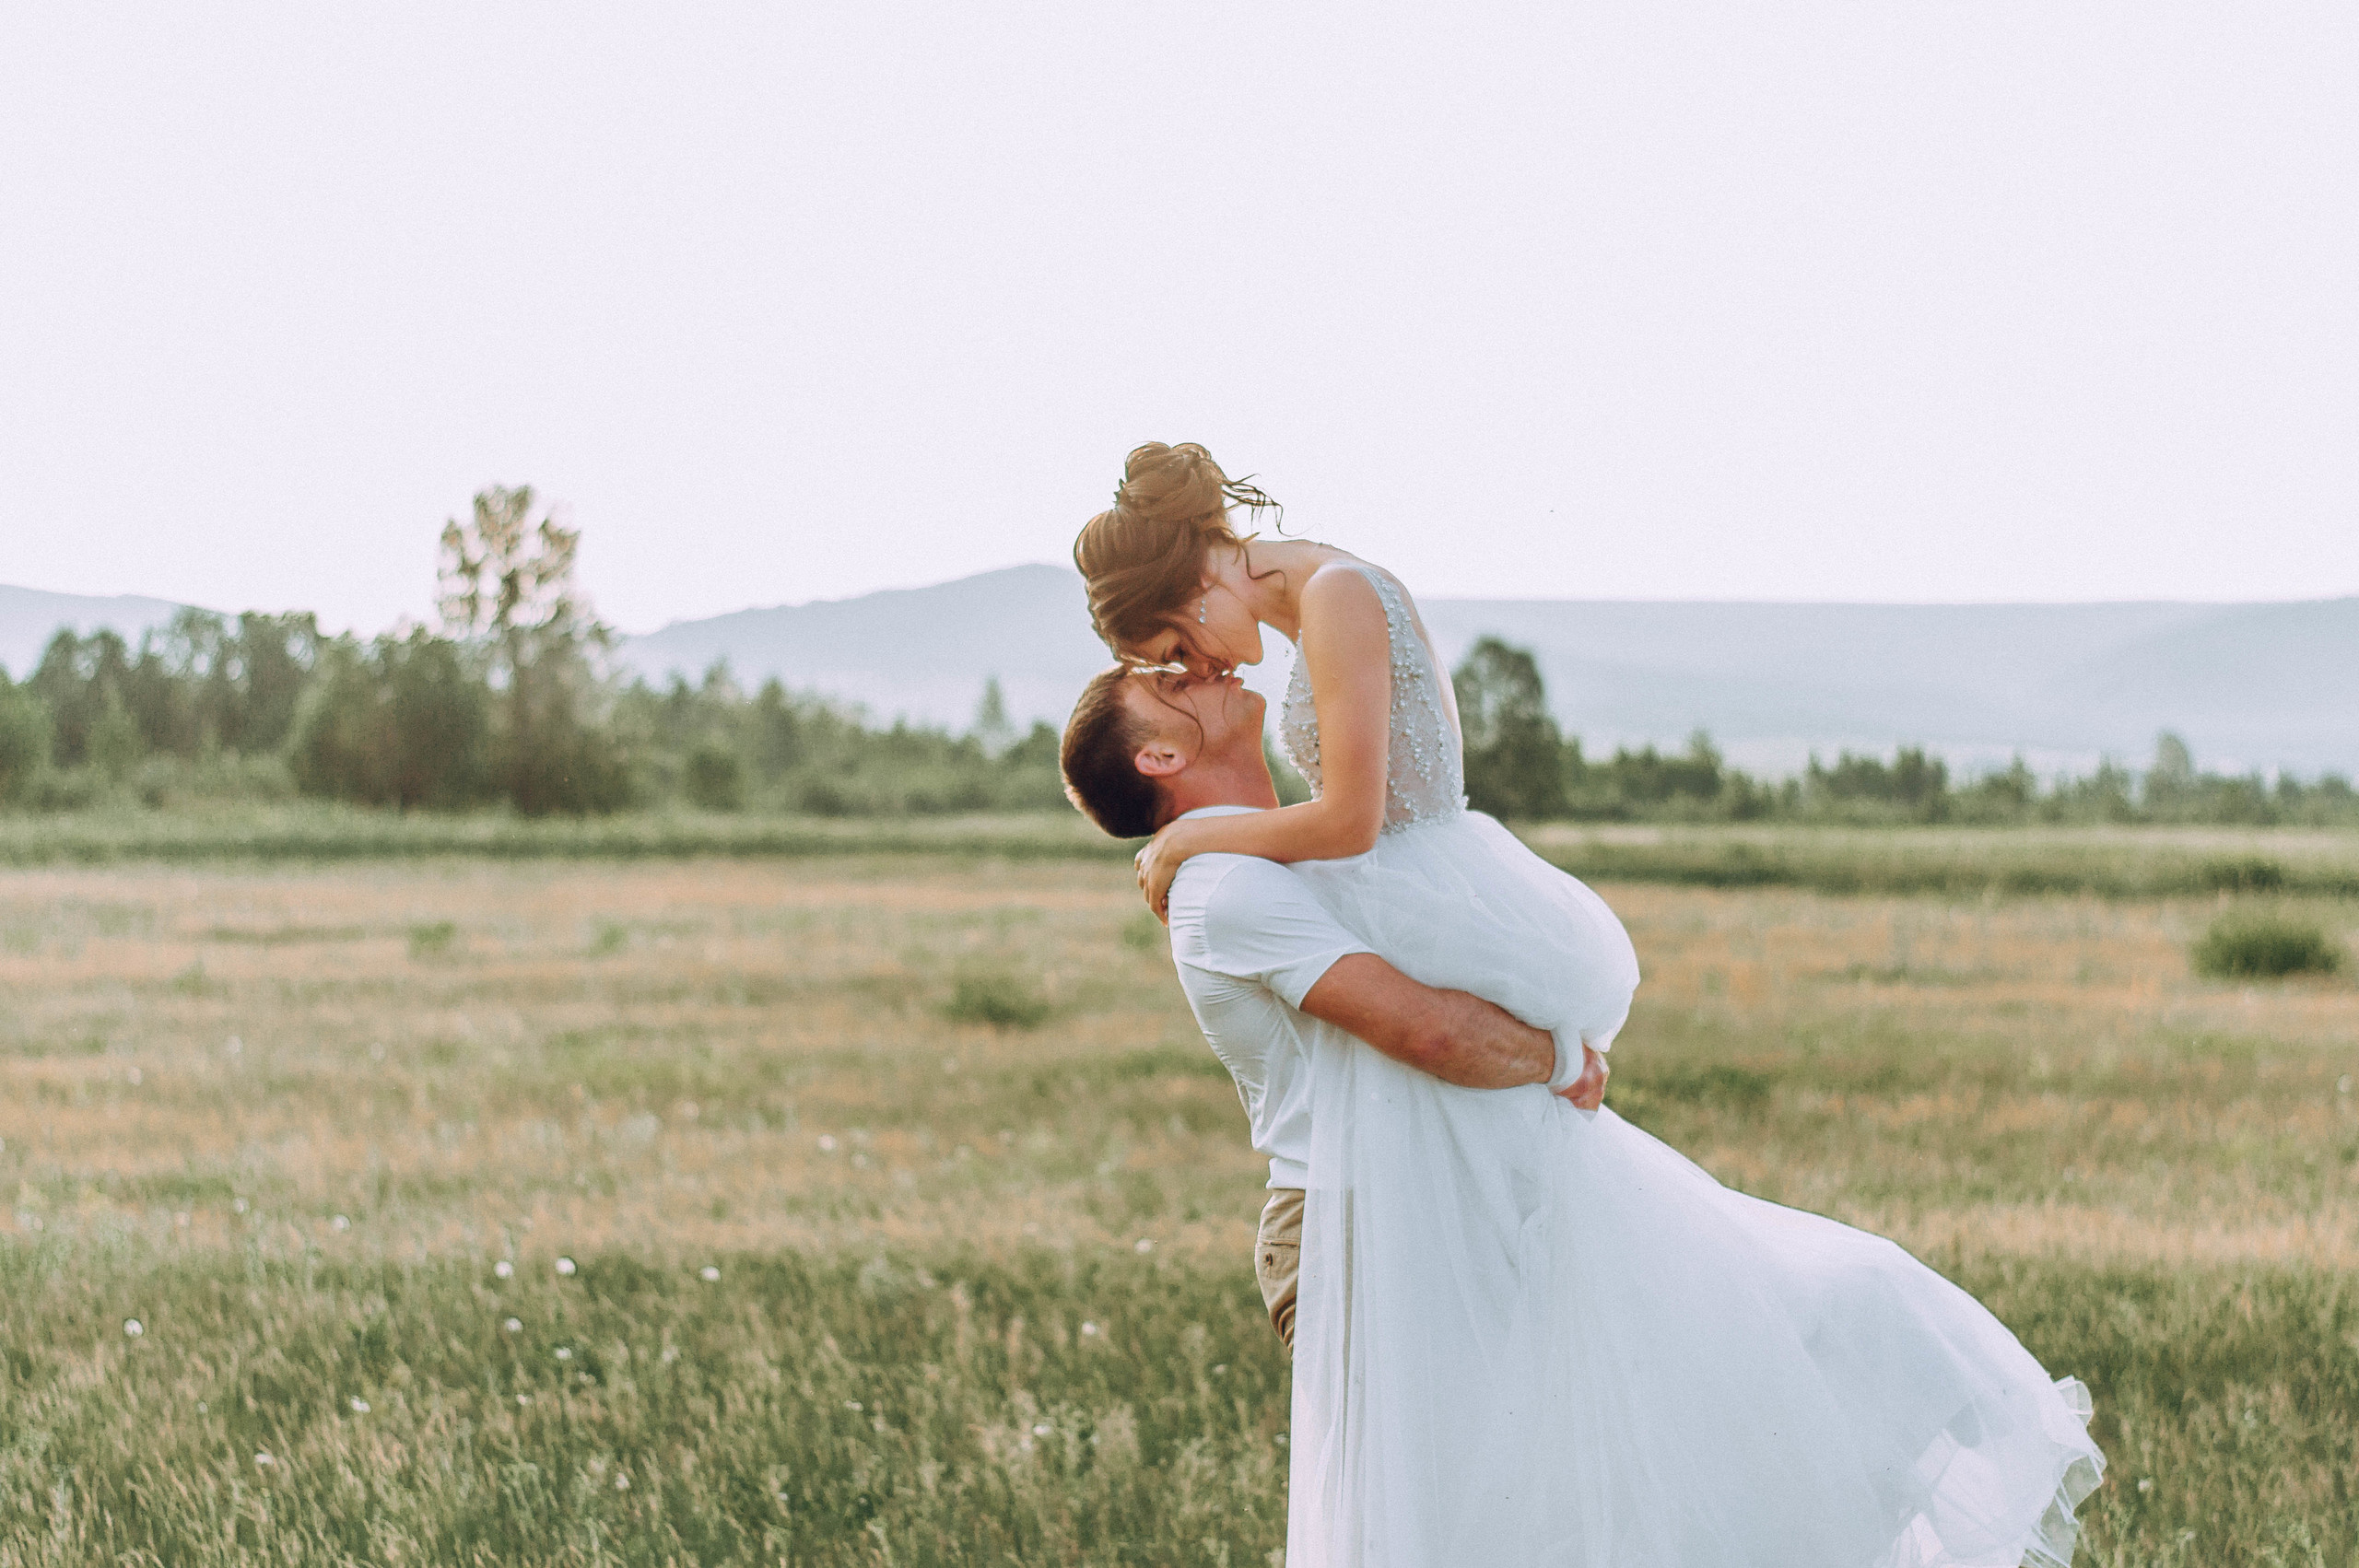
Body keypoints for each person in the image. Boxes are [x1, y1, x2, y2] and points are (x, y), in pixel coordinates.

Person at [1065, 442, 2106, 1567]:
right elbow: (1413, 1012)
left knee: (1561, 1448)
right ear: (1165, 750)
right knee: (1487, 1483)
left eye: (1175, 646)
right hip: (1365, 1170)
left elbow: (1356, 822)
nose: (1208, 666)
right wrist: (1550, 1052)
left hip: (1423, 1017)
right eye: (1171, 669)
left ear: (1183, 586)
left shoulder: (1326, 612)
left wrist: (1195, 830)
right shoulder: (1238, 867)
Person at [1061, 661, 1606, 1350]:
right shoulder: (1228, 887)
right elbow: (1428, 1032)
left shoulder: (1270, 856)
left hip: (1414, 1207)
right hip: (1347, 1227)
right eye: (1173, 686)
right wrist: (1563, 1061)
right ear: (1161, 756)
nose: (1206, 668)